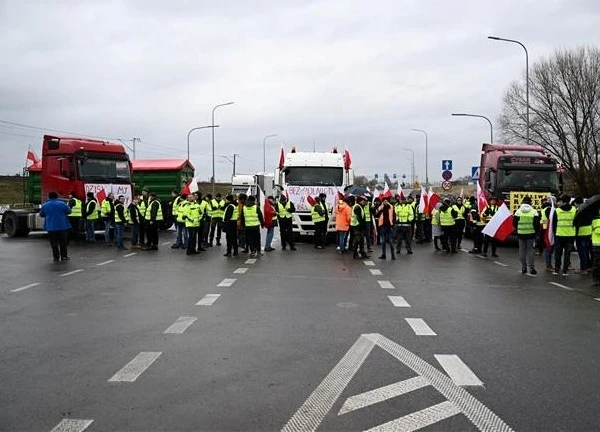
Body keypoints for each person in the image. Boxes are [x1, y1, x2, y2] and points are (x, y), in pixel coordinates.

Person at [39, 191, 71, 262]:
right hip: (62, 226)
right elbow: (69, 211)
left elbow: (41, 214)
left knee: (54, 243)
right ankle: (64, 256)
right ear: (57, 197)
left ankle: (56, 257)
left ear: (49, 197)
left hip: (51, 227)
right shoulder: (62, 204)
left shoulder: (45, 205)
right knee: (63, 243)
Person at [513, 196, 540, 274]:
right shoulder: (534, 212)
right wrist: (536, 232)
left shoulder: (518, 211)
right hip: (531, 234)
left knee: (522, 251)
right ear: (530, 202)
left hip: (521, 234)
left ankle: (523, 268)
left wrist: (518, 230)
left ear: (523, 202)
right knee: (530, 251)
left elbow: (514, 223)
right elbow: (537, 224)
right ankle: (531, 268)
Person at [553, 194, 576, 275]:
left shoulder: (557, 210)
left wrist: (554, 233)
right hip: (570, 235)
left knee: (558, 253)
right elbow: (576, 222)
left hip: (559, 235)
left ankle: (556, 269)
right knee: (567, 254)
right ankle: (565, 270)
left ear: (563, 201)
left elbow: (554, 224)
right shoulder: (574, 210)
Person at [573, 197, 592, 273]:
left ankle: (583, 268)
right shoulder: (588, 209)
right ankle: (589, 266)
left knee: (582, 251)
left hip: (581, 233)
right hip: (588, 232)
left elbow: (577, 223)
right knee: (586, 251)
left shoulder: (579, 211)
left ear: (576, 203)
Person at [591, 209, 600, 286]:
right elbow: (598, 231)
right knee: (597, 262)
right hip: (597, 244)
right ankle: (596, 278)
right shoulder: (597, 219)